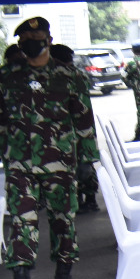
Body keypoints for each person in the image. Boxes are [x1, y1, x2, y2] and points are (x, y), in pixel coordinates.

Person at [0, 18, 100, 279]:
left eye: (36, 35)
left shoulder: (69, 76)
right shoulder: (7, 76)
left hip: (60, 162)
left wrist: (88, 160)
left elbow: (84, 120)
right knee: (21, 219)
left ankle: (64, 272)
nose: (30, 40)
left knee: (63, 218)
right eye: (25, 36)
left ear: (49, 40)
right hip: (19, 163)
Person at [51, 44, 101, 215]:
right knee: (84, 165)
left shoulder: (68, 76)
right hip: (83, 129)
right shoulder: (77, 74)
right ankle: (88, 199)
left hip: (76, 129)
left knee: (79, 167)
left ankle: (86, 199)